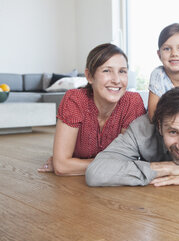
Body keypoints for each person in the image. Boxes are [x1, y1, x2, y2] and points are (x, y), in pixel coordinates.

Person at [38, 43, 146, 175]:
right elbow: (62, 167)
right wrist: (63, 163)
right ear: (89, 76)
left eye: (122, 71)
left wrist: (73, 164)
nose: (117, 80)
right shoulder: (75, 99)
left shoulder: (132, 102)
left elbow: (127, 159)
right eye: (107, 71)